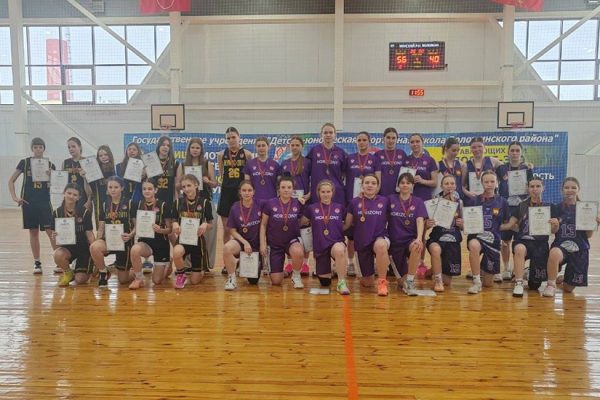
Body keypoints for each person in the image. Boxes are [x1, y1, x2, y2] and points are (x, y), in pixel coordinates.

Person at [543, 177, 600, 297]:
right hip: (561, 246)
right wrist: (555, 225)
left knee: (568, 289)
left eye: (573, 187)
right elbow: (553, 232)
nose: (570, 190)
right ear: (562, 190)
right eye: (567, 187)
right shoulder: (556, 208)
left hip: (580, 248)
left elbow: (588, 235)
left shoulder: (586, 209)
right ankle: (551, 284)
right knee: (554, 252)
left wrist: (593, 224)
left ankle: (565, 278)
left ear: (578, 189)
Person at [8, 137, 56, 274]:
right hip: (29, 203)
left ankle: (60, 260)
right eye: (35, 147)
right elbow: (11, 181)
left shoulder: (50, 165)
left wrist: (52, 177)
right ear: (32, 149)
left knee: (51, 231)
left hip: (44, 202)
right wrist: (15, 197)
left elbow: (56, 185)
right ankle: (37, 262)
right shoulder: (24, 163)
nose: (38, 149)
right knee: (33, 232)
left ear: (44, 149)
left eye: (40, 147)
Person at [506, 177, 555, 297]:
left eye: (538, 186)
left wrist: (555, 225)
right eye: (532, 186)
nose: (535, 189)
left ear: (543, 188)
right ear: (528, 189)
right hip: (522, 241)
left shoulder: (549, 207)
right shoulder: (521, 206)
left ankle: (527, 272)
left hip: (540, 244)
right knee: (519, 249)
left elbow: (554, 230)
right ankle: (519, 282)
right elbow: (512, 225)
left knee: (534, 286)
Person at [465, 171, 511, 294]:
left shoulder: (502, 202)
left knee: (488, 284)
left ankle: (481, 268)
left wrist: (501, 237)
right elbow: (467, 223)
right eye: (486, 182)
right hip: (477, 237)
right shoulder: (474, 200)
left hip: (493, 241)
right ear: (482, 183)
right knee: (474, 245)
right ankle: (476, 282)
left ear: (497, 183)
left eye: (492, 181)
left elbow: (506, 223)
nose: (489, 184)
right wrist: (463, 224)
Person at [344, 174, 391, 296]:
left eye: (373, 183)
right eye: (367, 183)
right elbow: (347, 224)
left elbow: (394, 218)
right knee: (367, 283)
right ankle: (372, 269)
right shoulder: (354, 202)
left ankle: (382, 283)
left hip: (379, 237)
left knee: (381, 246)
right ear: (362, 185)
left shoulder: (385, 201)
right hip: (361, 243)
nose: (370, 185)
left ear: (378, 186)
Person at [177, 138, 218, 273]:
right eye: (192, 147)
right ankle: (189, 264)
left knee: (209, 234)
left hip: (206, 201)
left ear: (201, 150)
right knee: (189, 232)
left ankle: (207, 263)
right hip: (188, 204)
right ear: (189, 149)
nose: (195, 150)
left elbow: (215, 184)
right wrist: (184, 183)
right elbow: (177, 185)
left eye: (197, 148)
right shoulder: (183, 165)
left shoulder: (207, 164)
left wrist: (207, 181)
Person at [301, 180, 349, 295]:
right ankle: (332, 268)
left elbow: (346, 224)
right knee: (325, 282)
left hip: (335, 242)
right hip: (320, 247)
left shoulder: (339, 208)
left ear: (332, 192)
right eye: (323, 192)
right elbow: (301, 223)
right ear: (318, 193)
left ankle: (341, 283)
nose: (326, 194)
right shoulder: (312, 208)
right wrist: (299, 205)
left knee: (339, 249)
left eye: (328, 191)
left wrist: (337, 231)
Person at [89, 176, 136, 288]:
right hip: (109, 240)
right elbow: (101, 228)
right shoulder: (104, 204)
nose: (113, 190)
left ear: (122, 188)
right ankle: (104, 272)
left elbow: (137, 225)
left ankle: (135, 271)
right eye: (110, 187)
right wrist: (98, 242)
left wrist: (130, 235)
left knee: (123, 280)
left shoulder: (130, 203)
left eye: (116, 187)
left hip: (125, 242)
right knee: (94, 247)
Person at [344, 131, 380, 277]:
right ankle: (351, 263)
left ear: (369, 142)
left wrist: (371, 195)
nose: (362, 142)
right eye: (359, 140)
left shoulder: (374, 159)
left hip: (369, 200)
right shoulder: (349, 158)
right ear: (356, 142)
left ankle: (374, 262)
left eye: (364, 140)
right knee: (351, 235)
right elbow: (343, 177)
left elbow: (378, 180)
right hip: (352, 200)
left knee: (370, 232)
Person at [496, 141, 533, 281]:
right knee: (505, 240)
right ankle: (506, 268)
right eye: (512, 150)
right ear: (508, 152)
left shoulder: (527, 169)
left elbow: (531, 188)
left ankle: (519, 269)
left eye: (517, 150)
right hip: (506, 208)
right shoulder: (501, 168)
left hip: (521, 208)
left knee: (520, 240)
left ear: (521, 153)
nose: (515, 153)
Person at [217, 127, 253, 272]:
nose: (231, 140)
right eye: (228, 138)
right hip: (226, 193)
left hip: (240, 194)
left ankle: (243, 261)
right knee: (227, 230)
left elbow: (248, 175)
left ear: (239, 137)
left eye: (233, 137)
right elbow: (222, 174)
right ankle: (227, 262)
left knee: (243, 228)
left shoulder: (247, 154)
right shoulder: (221, 155)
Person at [259, 176, 305, 288]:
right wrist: (262, 243)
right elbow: (263, 224)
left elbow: (303, 221)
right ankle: (280, 271)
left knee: (298, 251)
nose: (286, 190)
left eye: (289, 187)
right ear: (278, 189)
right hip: (274, 244)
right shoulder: (270, 203)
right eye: (283, 187)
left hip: (291, 240)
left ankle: (296, 276)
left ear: (293, 189)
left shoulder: (298, 203)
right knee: (276, 281)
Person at [387, 173, 427, 296]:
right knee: (400, 283)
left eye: (408, 183)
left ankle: (410, 280)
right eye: (402, 183)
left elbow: (420, 220)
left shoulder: (418, 201)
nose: (405, 185)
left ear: (412, 185)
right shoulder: (390, 199)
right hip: (394, 243)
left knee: (417, 246)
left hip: (409, 240)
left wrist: (419, 238)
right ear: (398, 185)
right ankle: (404, 279)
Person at [129, 178, 173, 289]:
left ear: (155, 190)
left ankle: (169, 262)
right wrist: (131, 234)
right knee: (134, 250)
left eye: (150, 189)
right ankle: (139, 279)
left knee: (157, 281)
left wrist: (160, 230)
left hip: (161, 244)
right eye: (144, 189)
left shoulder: (163, 205)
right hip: (145, 243)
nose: (147, 191)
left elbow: (170, 229)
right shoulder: (137, 205)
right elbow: (136, 226)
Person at [405, 133, 438, 277]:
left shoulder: (429, 160)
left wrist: (422, 181)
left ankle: (421, 261)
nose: (415, 144)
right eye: (412, 142)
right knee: (408, 230)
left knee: (422, 232)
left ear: (422, 142)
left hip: (424, 200)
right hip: (408, 199)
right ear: (409, 144)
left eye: (417, 141)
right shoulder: (406, 160)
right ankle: (408, 260)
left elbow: (434, 182)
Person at [171, 174, 213, 289]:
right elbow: (174, 220)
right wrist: (175, 224)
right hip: (183, 239)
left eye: (189, 185)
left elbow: (211, 224)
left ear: (196, 185)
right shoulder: (178, 203)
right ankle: (181, 275)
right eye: (184, 187)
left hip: (197, 242)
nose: (186, 189)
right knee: (176, 252)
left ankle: (200, 270)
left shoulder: (205, 203)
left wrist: (205, 224)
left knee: (194, 281)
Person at [51, 183, 95, 286]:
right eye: (69, 193)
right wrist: (54, 235)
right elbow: (55, 235)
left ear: (78, 197)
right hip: (68, 249)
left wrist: (95, 252)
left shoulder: (84, 212)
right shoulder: (57, 213)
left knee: (80, 280)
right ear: (64, 193)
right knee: (57, 254)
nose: (71, 196)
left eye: (75, 195)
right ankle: (68, 272)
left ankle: (87, 267)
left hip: (84, 249)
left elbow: (89, 233)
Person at [280, 135, 311, 275]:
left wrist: (309, 195)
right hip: (288, 201)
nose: (294, 147)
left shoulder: (307, 162)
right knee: (289, 230)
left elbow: (313, 180)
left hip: (304, 201)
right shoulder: (285, 163)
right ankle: (289, 263)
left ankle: (305, 264)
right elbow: (281, 183)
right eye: (292, 145)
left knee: (305, 231)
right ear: (289, 146)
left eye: (297, 145)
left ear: (302, 147)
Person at [425, 175, 463, 292]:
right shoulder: (434, 202)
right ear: (441, 186)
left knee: (447, 282)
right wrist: (428, 224)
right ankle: (437, 280)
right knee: (436, 250)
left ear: (455, 186)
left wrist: (461, 223)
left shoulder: (460, 203)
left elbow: (463, 227)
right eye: (446, 184)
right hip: (437, 238)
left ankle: (433, 269)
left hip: (453, 240)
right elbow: (426, 225)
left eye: (452, 183)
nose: (449, 186)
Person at [223, 180, 262, 290]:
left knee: (253, 281)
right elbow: (232, 231)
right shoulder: (235, 207)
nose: (247, 193)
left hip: (256, 245)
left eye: (249, 190)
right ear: (240, 192)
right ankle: (231, 279)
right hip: (241, 242)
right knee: (227, 248)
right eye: (244, 190)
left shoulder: (260, 205)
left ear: (254, 192)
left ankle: (239, 262)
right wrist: (245, 242)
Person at [307, 123, 347, 206]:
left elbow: (345, 173)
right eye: (325, 133)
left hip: (336, 192)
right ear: (321, 135)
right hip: (318, 192)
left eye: (331, 132)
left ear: (335, 135)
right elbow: (306, 171)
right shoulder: (314, 151)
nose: (328, 135)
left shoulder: (341, 152)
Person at [85, 145, 117, 226]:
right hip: (99, 200)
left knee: (112, 222)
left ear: (110, 155)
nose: (103, 157)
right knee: (100, 224)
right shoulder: (94, 170)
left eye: (105, 154)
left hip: (113, 200)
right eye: (100, 155)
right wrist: (85, 177)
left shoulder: (115, 169)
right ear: (98, 158)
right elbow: (90, 189)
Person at [244, 137, 280, 202]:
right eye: (258, 146)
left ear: (268, 147)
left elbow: (279, 185)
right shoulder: (249, 164)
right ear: (256, 147)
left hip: (272, 200)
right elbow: (247, 184)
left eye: (263, 145)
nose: (261, 148)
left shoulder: (275, 165)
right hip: (254, 201)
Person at [62, 137, 92, 210]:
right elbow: (63, 183)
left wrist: (89, 200)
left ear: (80, 147)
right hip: (70, 198)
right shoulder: (65, 163)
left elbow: (92, 185)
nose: (71, 149)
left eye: (73, 146)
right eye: (69, 147)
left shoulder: (87, 162)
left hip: (83, 197)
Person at [375, 127, 407, 197]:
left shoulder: (402, 154)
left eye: (393, 138)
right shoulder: (377, 154)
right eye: (388, 137)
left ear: (397, 139)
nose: (391, 140)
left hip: (399, 192)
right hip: (382, 192)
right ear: (383, 138)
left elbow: (407, 173)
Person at [154, 136, 181, 215]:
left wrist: (176, 202)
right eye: (163, 144)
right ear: (159, 146)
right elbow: (146, 182)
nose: (165, 147)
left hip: (169, 199)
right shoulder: (152, 162)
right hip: (153, 199)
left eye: (168, 145)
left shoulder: (176, 164)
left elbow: (177, 186)